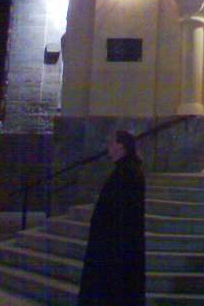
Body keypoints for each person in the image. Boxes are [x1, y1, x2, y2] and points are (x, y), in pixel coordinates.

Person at [78, 130, 146, 306]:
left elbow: (121, 214)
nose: (108, 146)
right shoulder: (125, 171)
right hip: (113, 244)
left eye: (111, 143)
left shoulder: (127, 173)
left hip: (115, 246)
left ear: (121, 147)